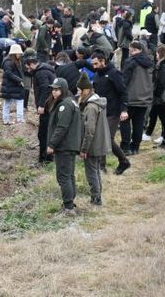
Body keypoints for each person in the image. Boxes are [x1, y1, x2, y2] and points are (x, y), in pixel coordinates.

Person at [90, 52, 131, 175]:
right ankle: (101, 167)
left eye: (96, 63)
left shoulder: (114, 73)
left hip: (113, 111)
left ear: (103, 61)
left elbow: (123, 92)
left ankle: (123, 161)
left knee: (107, 138)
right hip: (101, 111)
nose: (94, 66)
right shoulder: (97, 75)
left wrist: (124, 110)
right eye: (93, 64)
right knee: (100, 137)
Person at [46, 77, 82, 216]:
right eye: (53, 89)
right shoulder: (71, 102)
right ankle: (70, 202)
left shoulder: (65, 105)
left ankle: (68, 208)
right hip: (70, 145)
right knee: (69, 175)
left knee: (63, 176)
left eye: (57, 89)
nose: (54, 92)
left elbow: (62, 127)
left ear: (63, 89)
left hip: (64, 146)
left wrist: (52, 144)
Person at [77, 73, 111, 206]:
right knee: (96, 170)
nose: (78, 93)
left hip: (93, 145)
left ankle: (95, 199)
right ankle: (97, 196)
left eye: (79, 90)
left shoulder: (90, 107)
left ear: (86, 90)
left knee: (91, 172)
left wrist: (84, 148)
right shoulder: (97, 102)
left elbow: (89, 130)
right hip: (99, 143)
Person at [120, 42, 154, 155]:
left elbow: (124, 81)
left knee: (125, 122)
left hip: (130, 97)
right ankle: (135, 147)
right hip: (145, 98)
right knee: (139, 123)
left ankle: (125, 147)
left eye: (131, 50)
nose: (130, 52)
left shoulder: (130, 62)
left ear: (134, 50)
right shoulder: (150, 62)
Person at [25, 57, 55, 165]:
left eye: (28, 68)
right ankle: (48, 157)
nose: (28, 71)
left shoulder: (40, 72)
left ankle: (44, 159)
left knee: (43, 134)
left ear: (32, 64)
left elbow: (45, 88)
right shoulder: (46, 70)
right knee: (47, 132)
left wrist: (41, 105)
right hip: (51, 106)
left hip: (47, 108)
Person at [0, 44, 25, 125]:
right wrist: (19, 80)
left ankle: (9, 119)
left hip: (12, 86)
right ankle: (15, 119)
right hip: (10, 86)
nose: (20, 54)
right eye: (18, 53)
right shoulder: (8, 62)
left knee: (10, 102)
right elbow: (8, 73)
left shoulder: (15, 61)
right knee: (13, 102)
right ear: (14, 53)